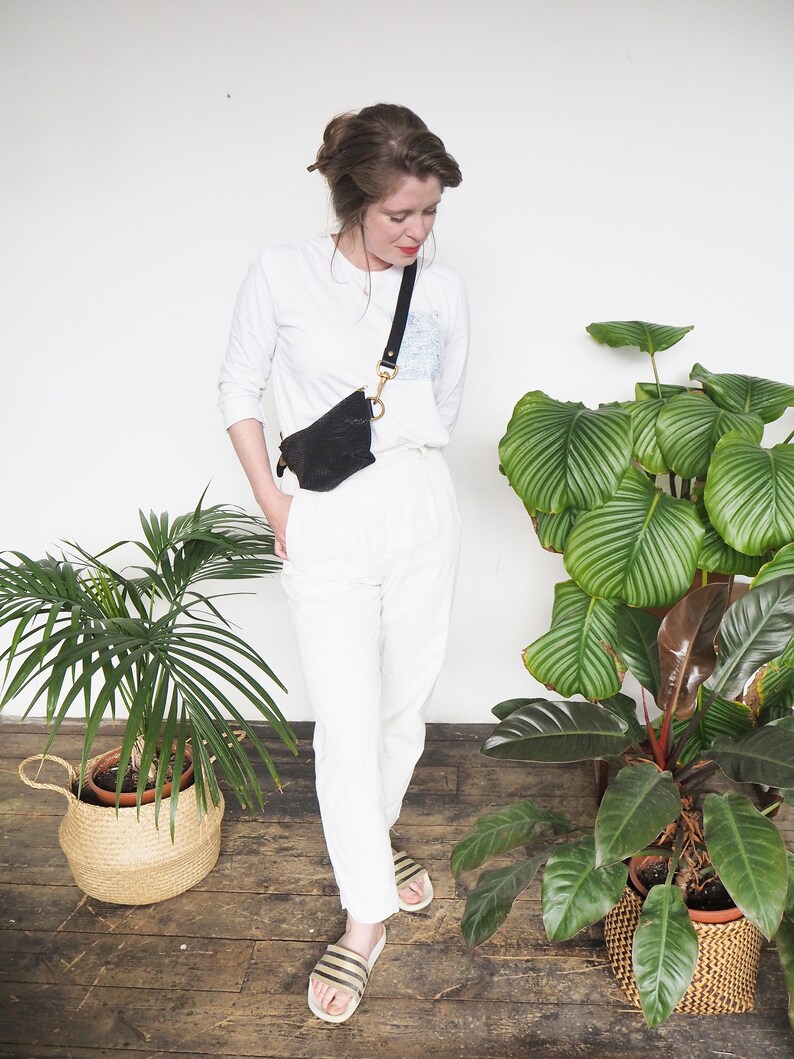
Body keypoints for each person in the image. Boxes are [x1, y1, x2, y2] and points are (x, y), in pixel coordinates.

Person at [218, 103, 468, 1023]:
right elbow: (238, 390)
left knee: (403, 709)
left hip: (420, 512)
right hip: (325, 515)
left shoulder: (441, 292)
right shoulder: (284, 274)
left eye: (430, 213)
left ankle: (372, 835)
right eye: (401, 213)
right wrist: (276, 503)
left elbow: (438, 407)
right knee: (346, 722)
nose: (417, 232)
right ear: (355, 198)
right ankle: (366, 912)